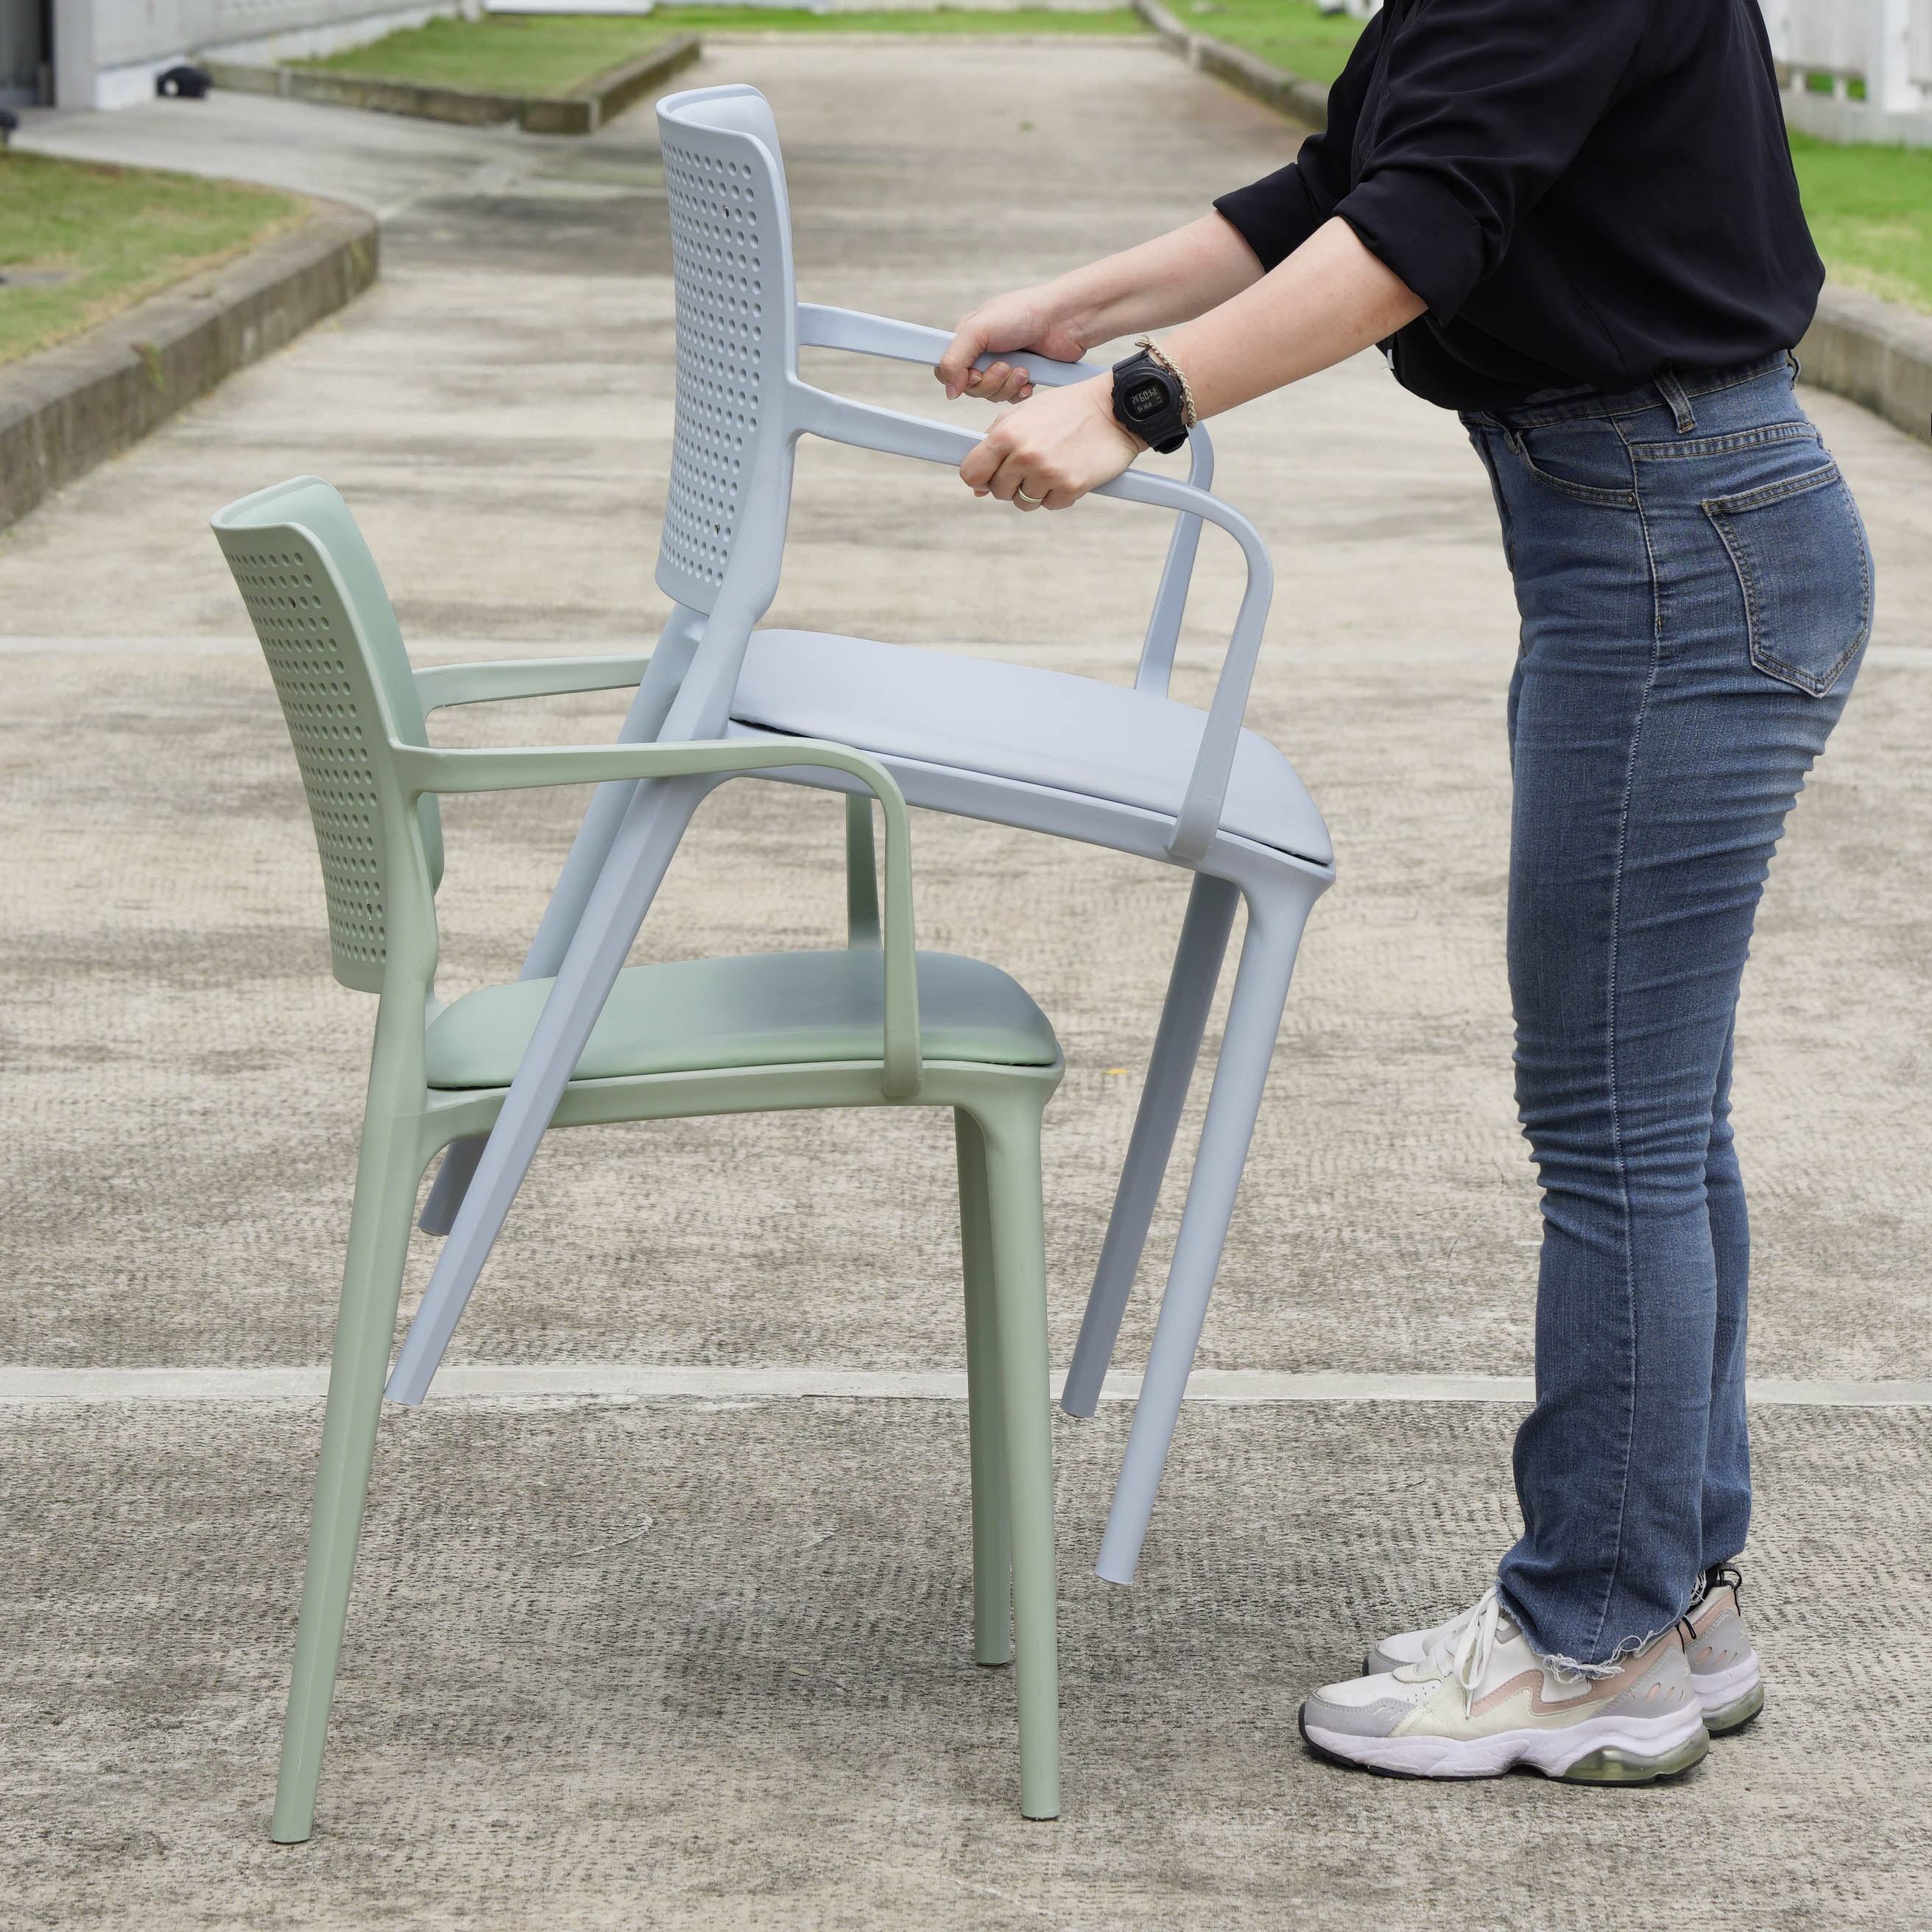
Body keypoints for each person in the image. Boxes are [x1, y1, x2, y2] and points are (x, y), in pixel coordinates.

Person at [934, 0, 1871, 1783]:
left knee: (1613, 1123)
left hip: (1674, 545)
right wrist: (1087, 305)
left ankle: (1592, 1638)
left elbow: (1412, 239)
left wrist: (1138, 402)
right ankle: (1672, 1600)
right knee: (1653, 1114)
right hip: (1662, 525)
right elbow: (1341, 184)